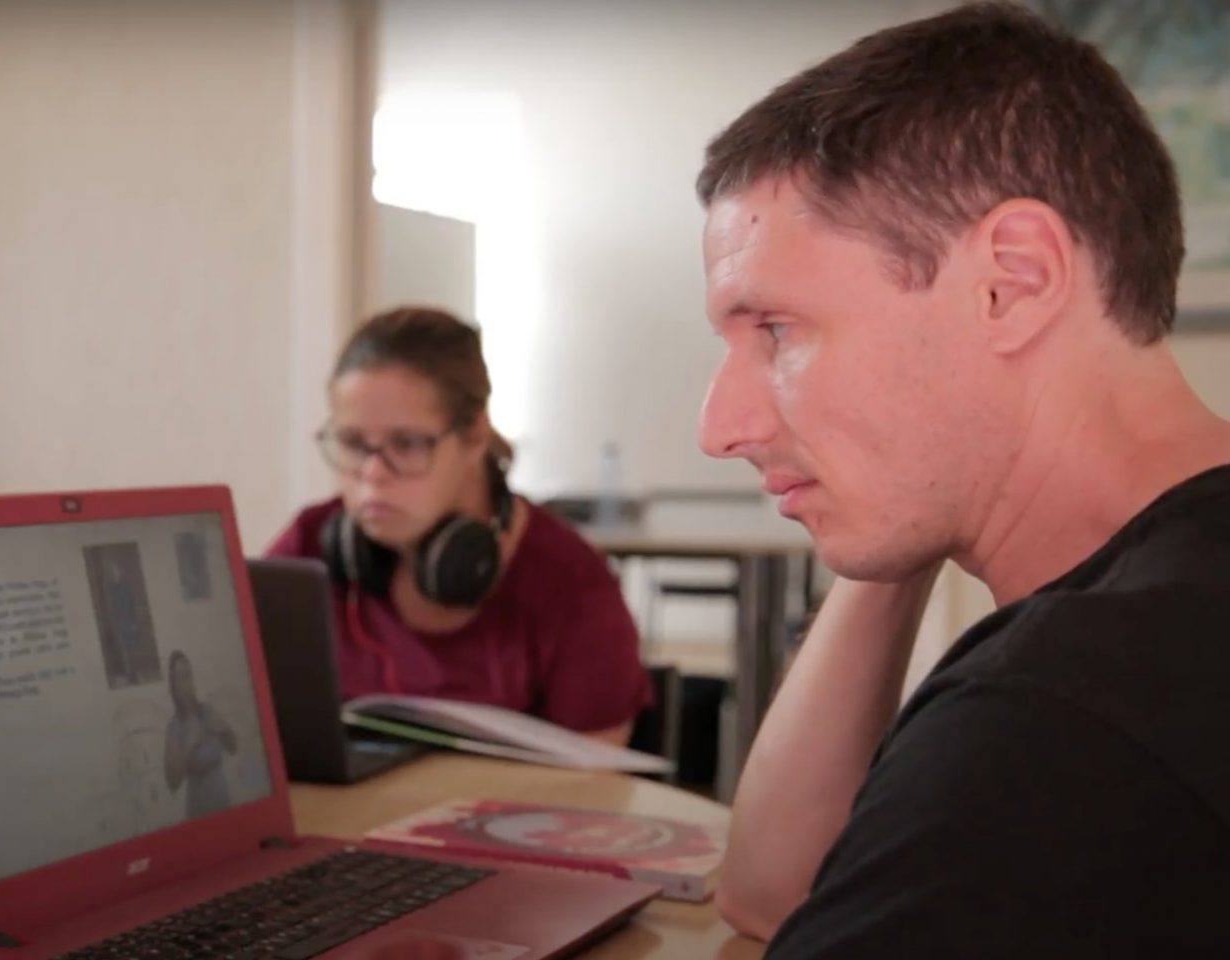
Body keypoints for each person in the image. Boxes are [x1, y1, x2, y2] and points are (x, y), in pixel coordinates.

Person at [695, 3, 1230, 956]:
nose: (720, 429)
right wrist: (888, 505)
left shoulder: (1059, 720)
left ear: (1011, 284)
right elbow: (777, 894)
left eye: (775, 330)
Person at [268, 306, 650, 745]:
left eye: (407, 443)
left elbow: (599, 787)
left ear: (474, 437)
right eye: (353, 443)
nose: (372, 474)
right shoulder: (308, 547)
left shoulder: (573, 586)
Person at [163, 650, 237, 819]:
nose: (187, 681)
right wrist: (189, 745)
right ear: (173, 686)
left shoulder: (208, 711)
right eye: (181, 677)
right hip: (200, 813)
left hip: (225, 804)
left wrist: (225, 730)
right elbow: (172, 782)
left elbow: (233, 748)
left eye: (188, 674)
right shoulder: (175, 727)